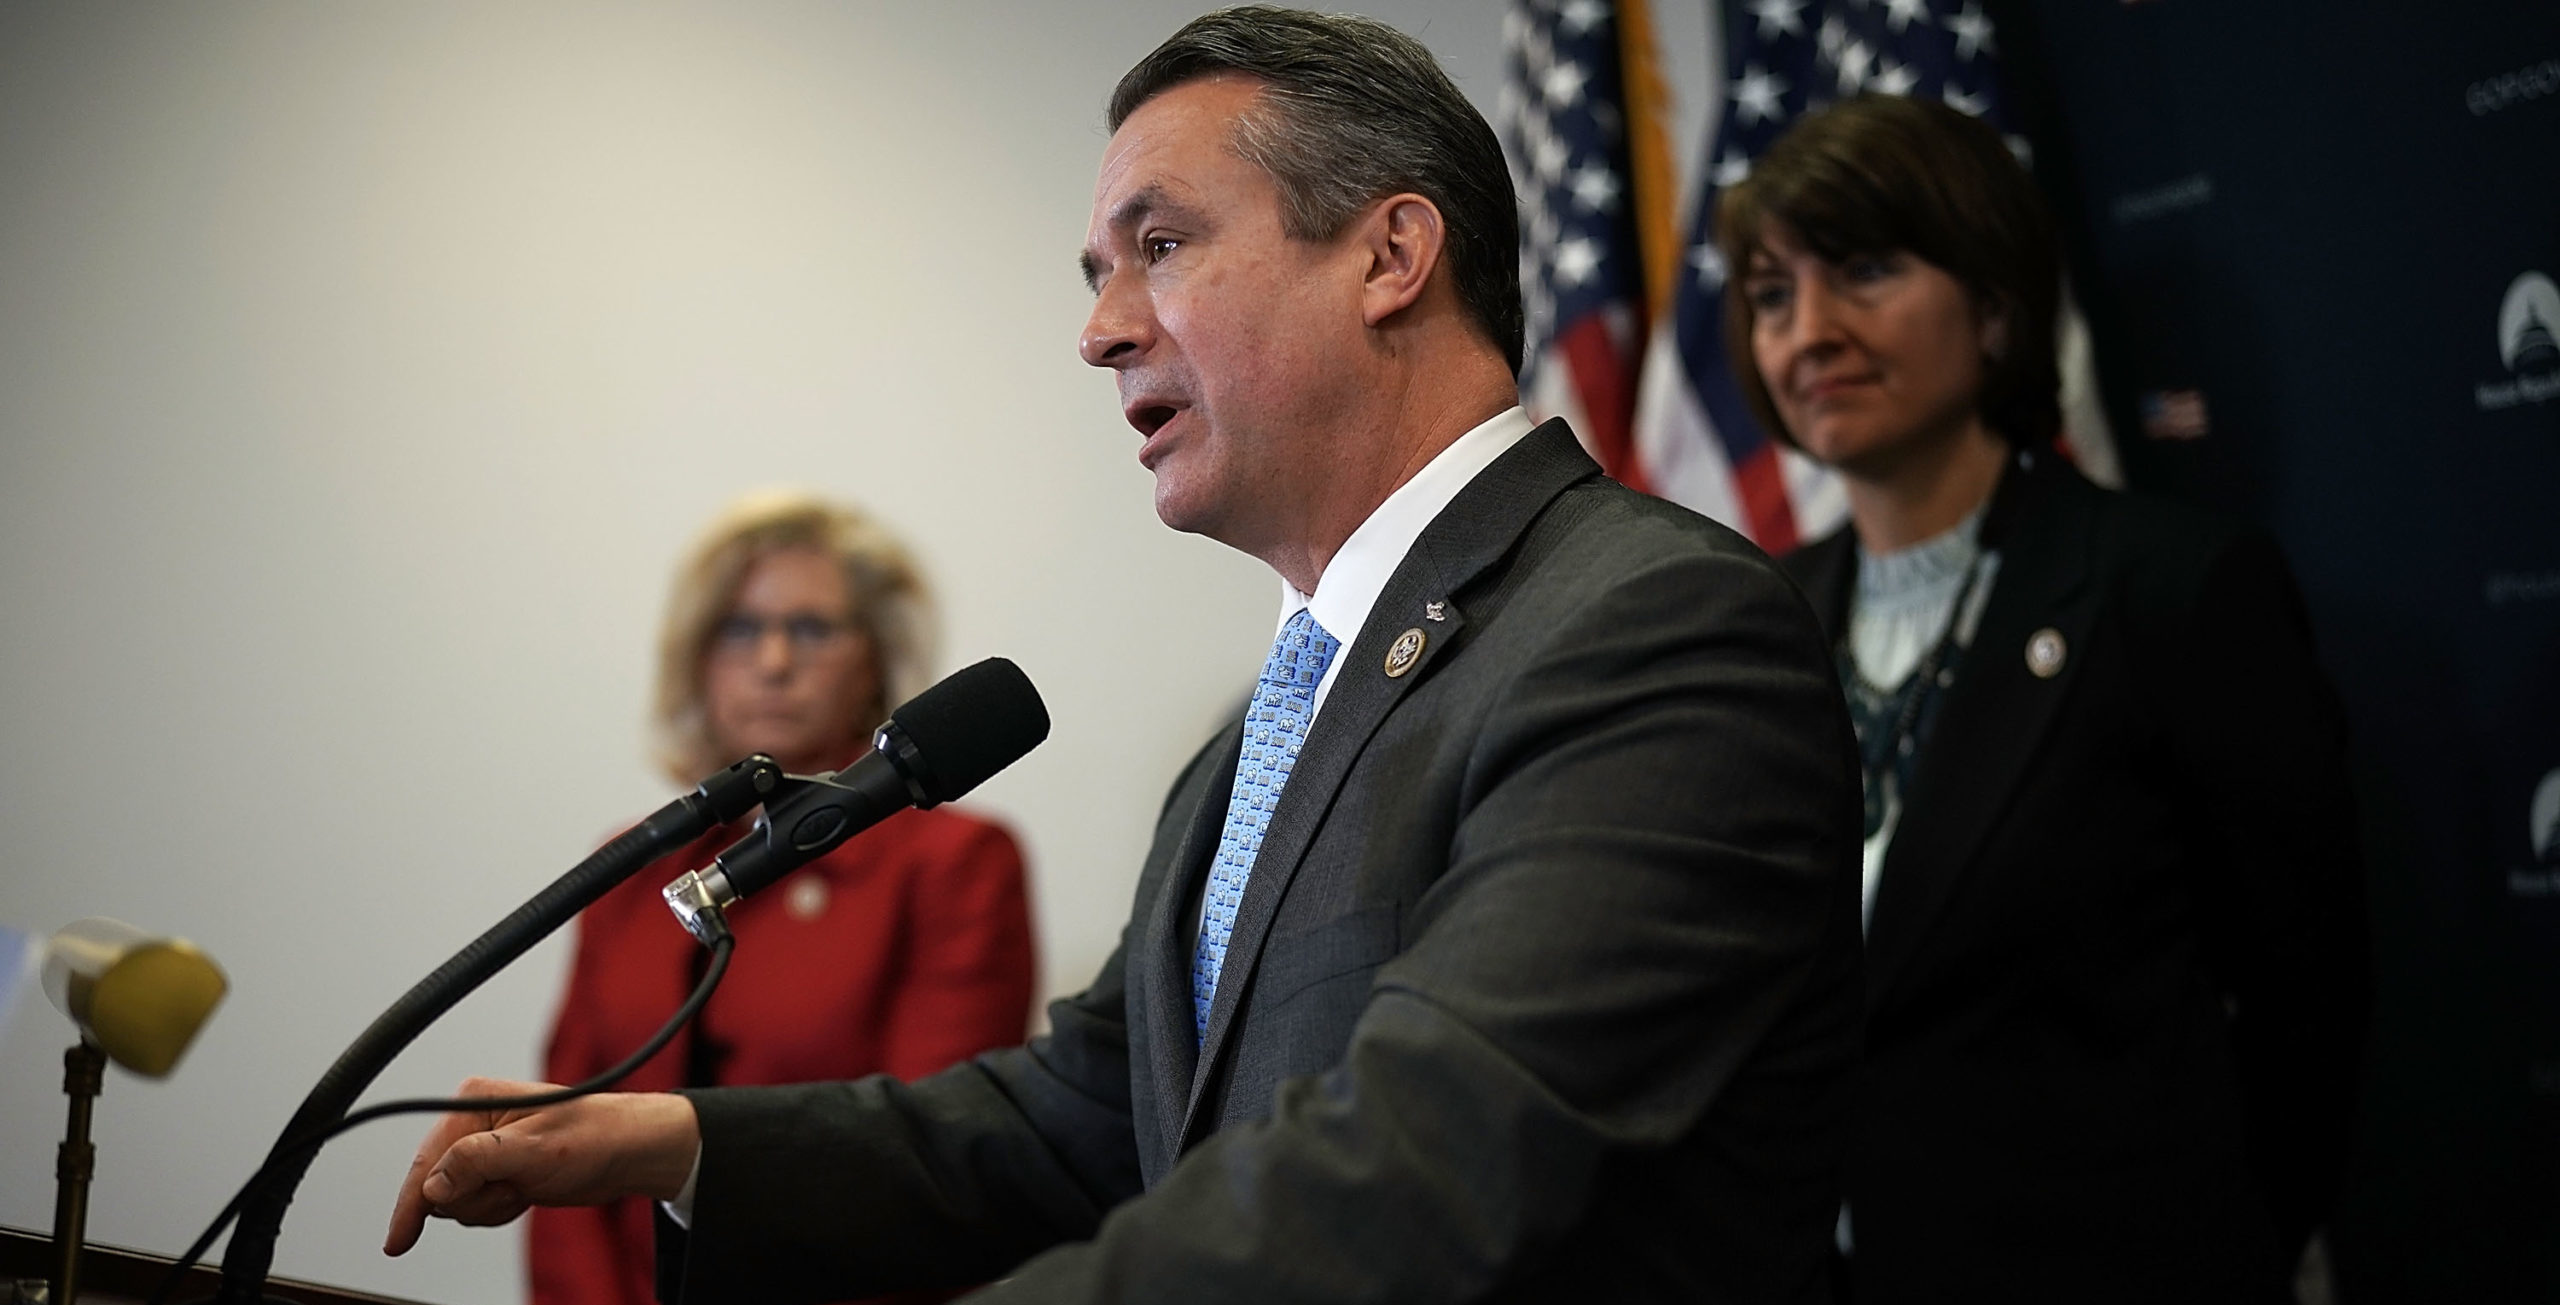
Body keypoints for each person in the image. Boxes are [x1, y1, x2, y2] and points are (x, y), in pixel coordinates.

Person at [386, 9, 1866, 1301]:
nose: (1100, 330)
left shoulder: (1648, 629)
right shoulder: (1257, 732)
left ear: (1391, 254)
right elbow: (1091, 1117)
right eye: (1100, 269)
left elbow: (1424, 1158)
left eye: (1160, 247)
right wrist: (678, 1139)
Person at [1717, 95, 2368, 1302]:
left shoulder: (2168, 588)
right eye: (1769, 294)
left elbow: (2308, 1009)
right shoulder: (1751, 622)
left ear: (1997, 305)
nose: (1808, 331)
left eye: (1863, 270)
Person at [531, 491, 1036, 1305]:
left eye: (809, 627)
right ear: (698, 658)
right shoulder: (629, 867)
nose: (771, 660)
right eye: (738, 628)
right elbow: (556, 1148)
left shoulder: (956, 863)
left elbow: (926, 1165)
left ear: (873, 656)